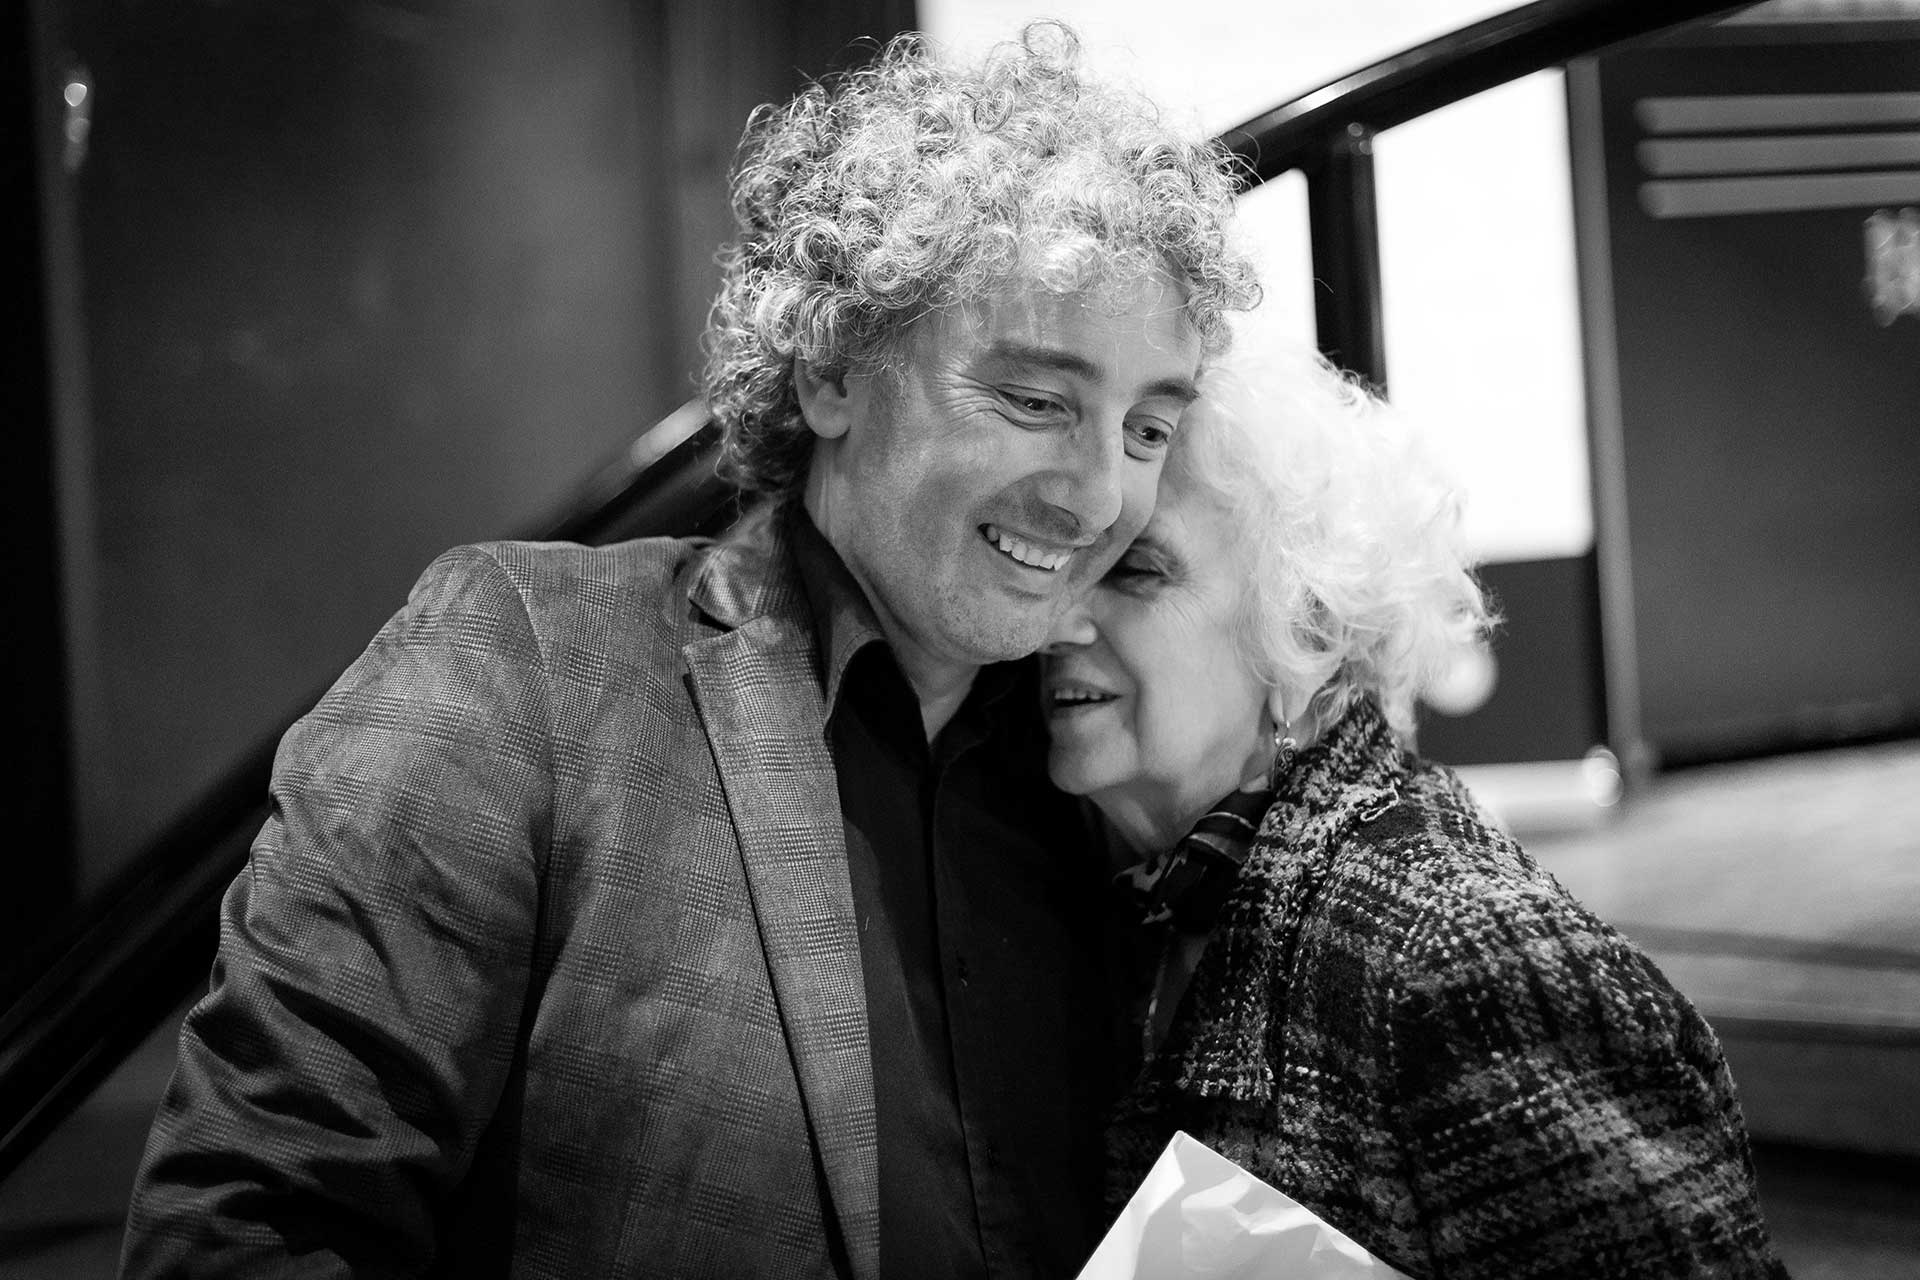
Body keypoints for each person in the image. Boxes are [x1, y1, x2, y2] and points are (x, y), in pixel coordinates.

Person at [119, 24, 1257, 1280]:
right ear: (832, 368)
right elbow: (246, 1230)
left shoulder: (1088, 780)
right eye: (1035, 400)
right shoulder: (531, 659)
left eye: (1150, 426)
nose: (1099, 493)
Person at [1039, 344, 1788, 1278]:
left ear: (1305, 636)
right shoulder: (1116, 902)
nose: (1060, 621)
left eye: (1135, 572)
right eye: (1069, 564)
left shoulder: (1468, 961)